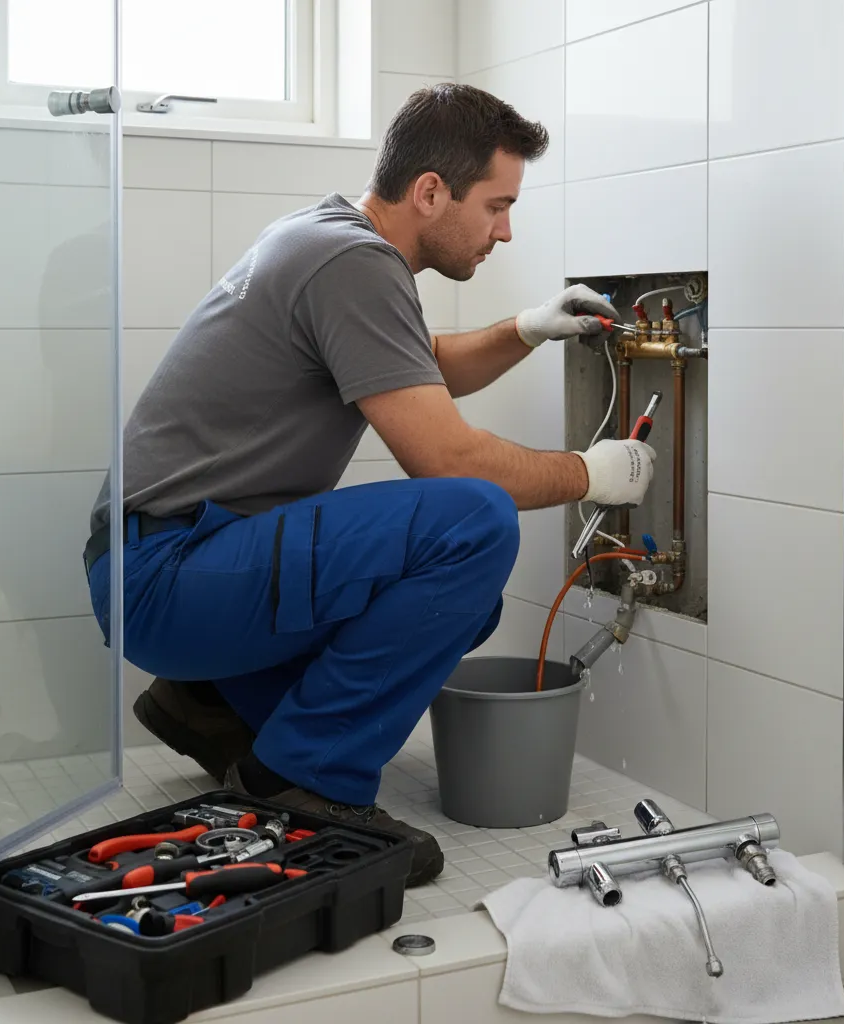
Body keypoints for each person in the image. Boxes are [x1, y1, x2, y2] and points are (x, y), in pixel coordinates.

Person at [83, 84, 656, 887]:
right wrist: (590, 474)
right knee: (475, 523)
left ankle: (205, 701)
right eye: (496, 205)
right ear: (429, 192)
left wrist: (525, 328)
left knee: (466, 597)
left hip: (164, 558)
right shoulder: (353, 261)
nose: (506, 229)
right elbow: (451, 465)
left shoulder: (327, 237)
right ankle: (303, 778)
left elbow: (415, 366)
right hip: (169, 572)